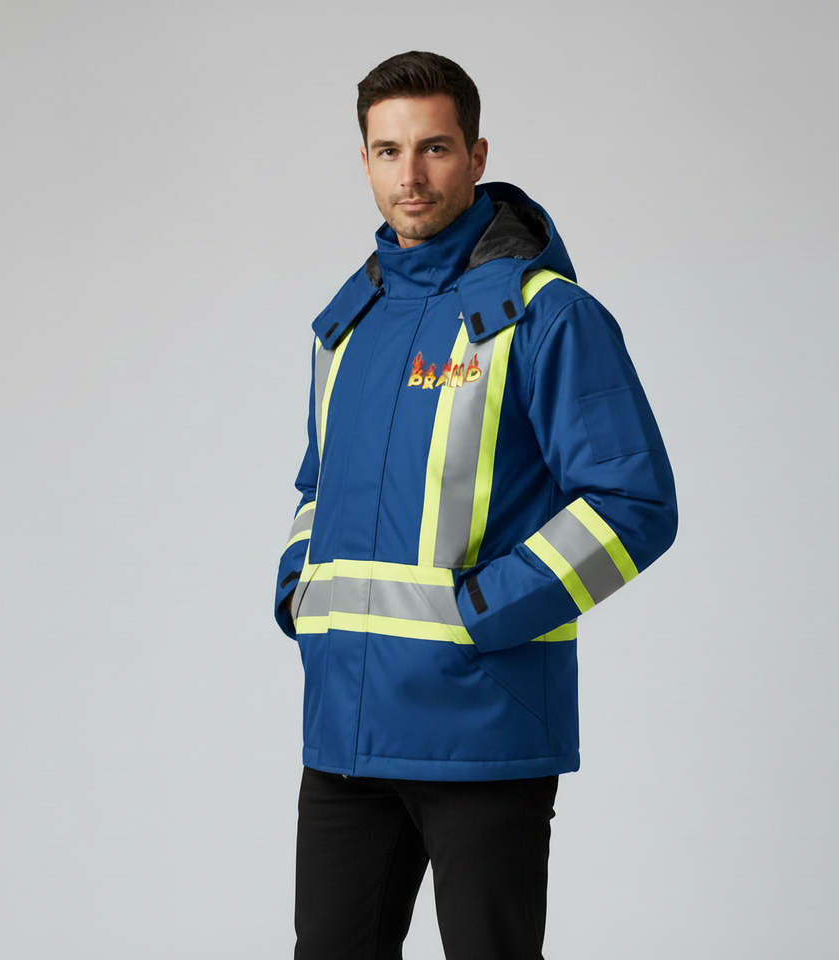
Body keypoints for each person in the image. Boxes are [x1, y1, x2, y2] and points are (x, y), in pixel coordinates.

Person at [273, 50, 678, 960]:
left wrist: (482, 612)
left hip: (483, 732)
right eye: (388, 151)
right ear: (365, 161)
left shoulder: (548, 316)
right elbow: (317, 487)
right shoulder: (347, 325)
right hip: (346, 733)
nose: (410, 176)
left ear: (477, 154)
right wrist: (298, 588)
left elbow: (634, 500)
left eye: (435, 148)